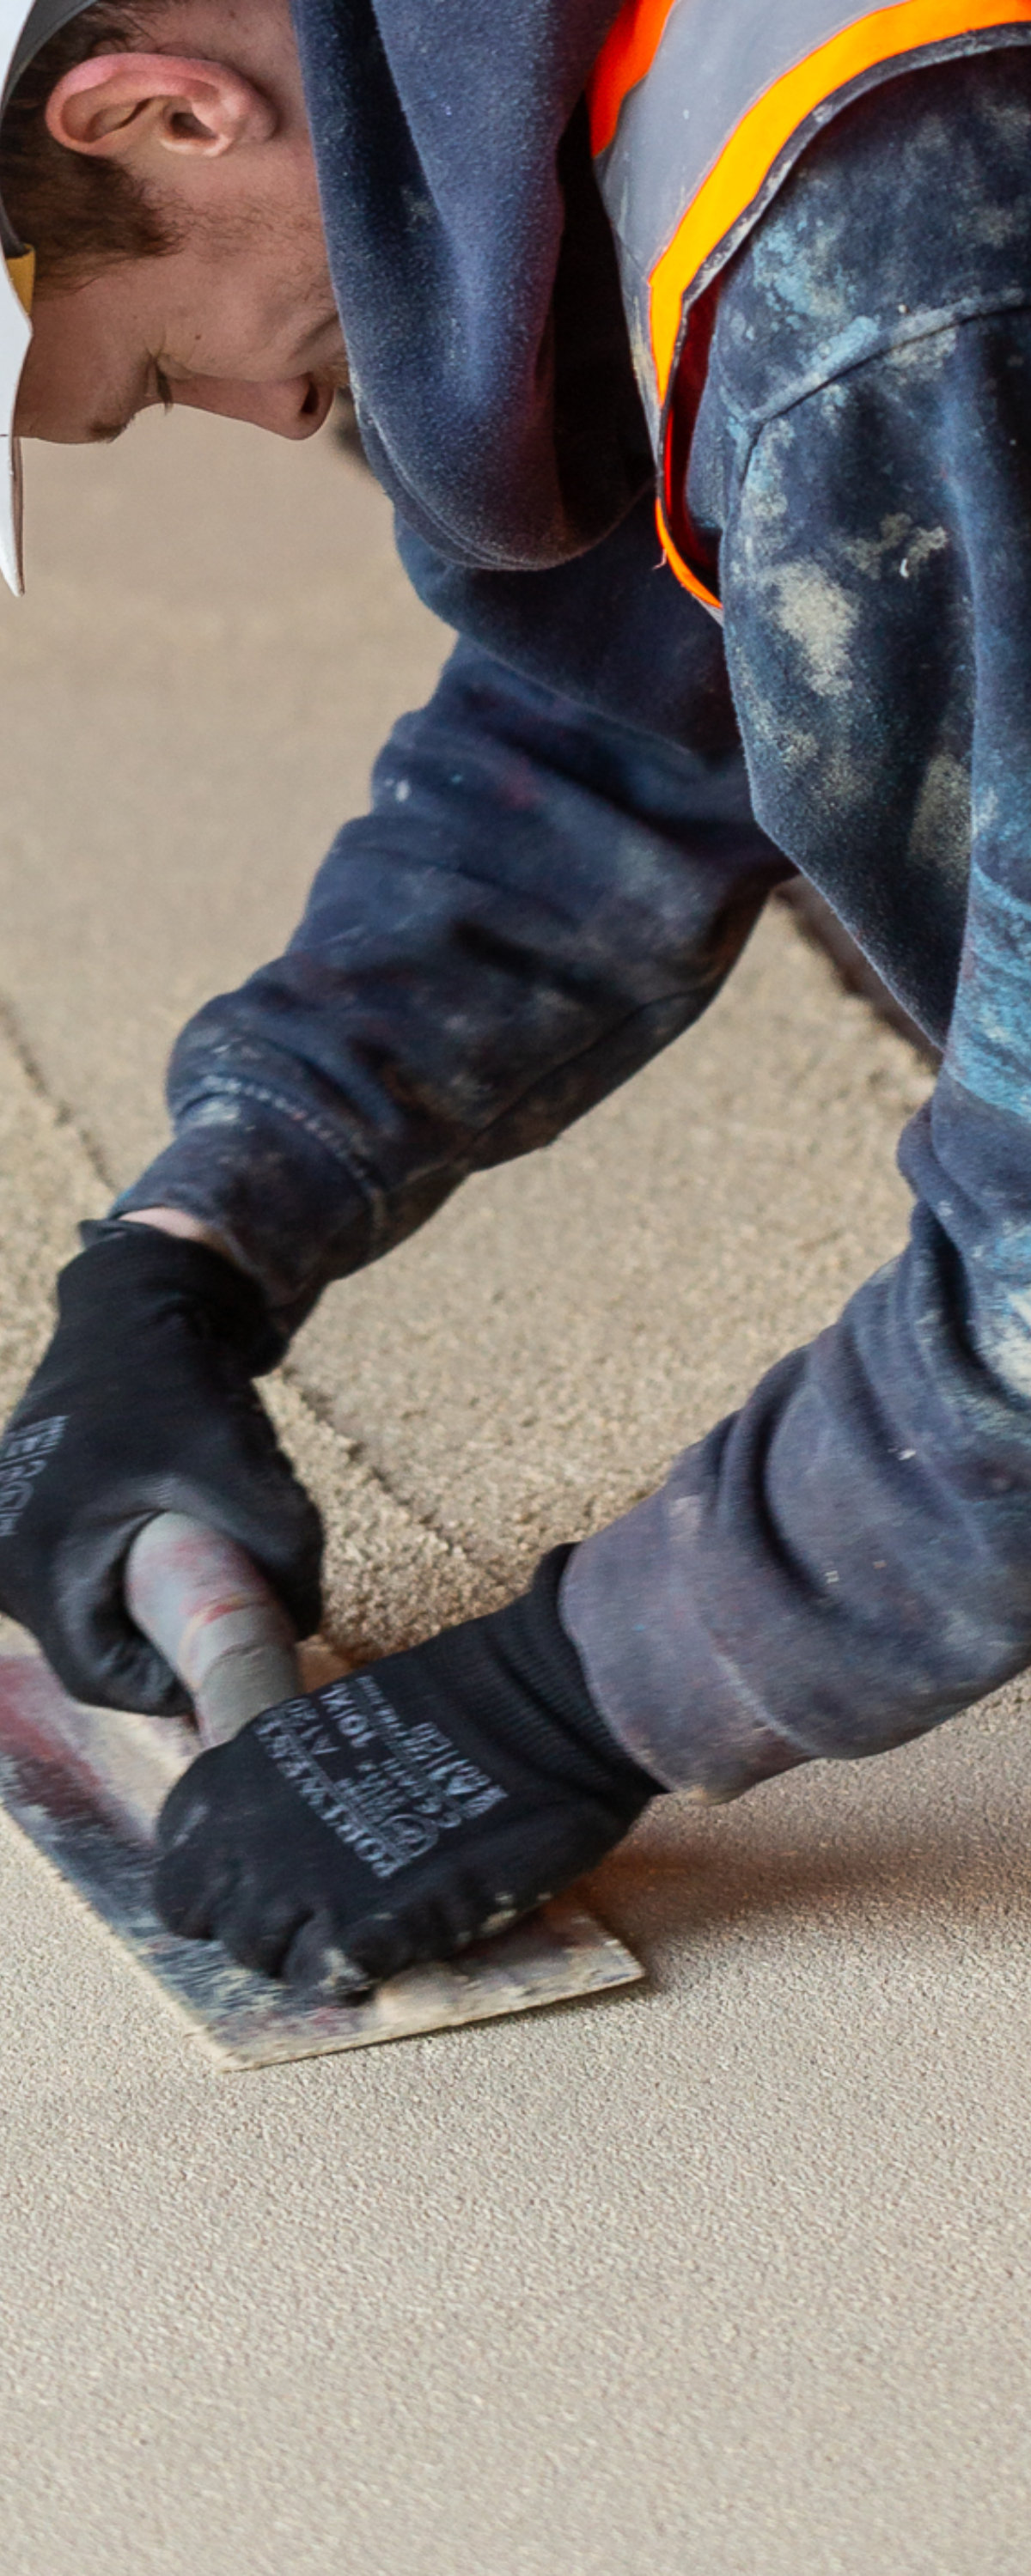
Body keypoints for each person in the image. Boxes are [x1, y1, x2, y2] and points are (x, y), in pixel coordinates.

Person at [1, 0, 1029, 1995]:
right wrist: (201, 1239)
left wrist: (581, 1696)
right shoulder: (666, 88)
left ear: (155, 113)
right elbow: (646, 724)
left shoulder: (902, 280)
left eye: (140, 375)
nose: (273, 418)